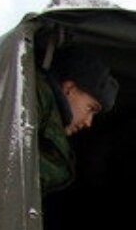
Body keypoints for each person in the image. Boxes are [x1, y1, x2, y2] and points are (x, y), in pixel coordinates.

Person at [36, 44, 119, 196]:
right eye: (90, 108)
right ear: (69, 89)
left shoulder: (45, 111)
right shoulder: (36, 97)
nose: (88, 122)